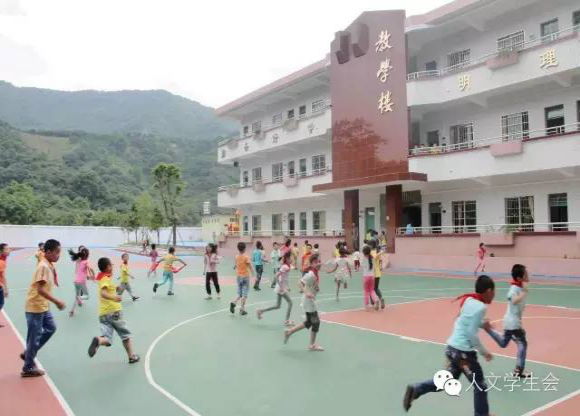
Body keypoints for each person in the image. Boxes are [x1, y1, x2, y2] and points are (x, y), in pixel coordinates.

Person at [403, 275, 496, 415]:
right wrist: (485, 352)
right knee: (480, 385)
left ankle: (416, 389)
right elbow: (471, 334)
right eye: (494, 291)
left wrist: (482, 324)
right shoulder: (481, 307)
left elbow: (464, 320)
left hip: (452, 349)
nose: (494, 294)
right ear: (488, 291)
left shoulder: (469, 300)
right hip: (464, 354)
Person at [22, 239, 66, 377]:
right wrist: (57, 301)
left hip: (43, 306)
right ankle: (28, 367)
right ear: (48, 252)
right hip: (35, 306)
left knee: (51, 328)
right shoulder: (43, 266)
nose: (58, 255)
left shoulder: (48, 264)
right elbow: (40, 289)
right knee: (33, 338)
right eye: (57, 252)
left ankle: (29, 353)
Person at [88, 257, 139, 364]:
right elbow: (103, 293)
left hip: (103, 314)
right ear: (108, 267)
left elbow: (105, 287)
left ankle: (99, 340)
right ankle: (131, 357)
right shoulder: (105, 279)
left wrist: (116, 288)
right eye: (111, 265)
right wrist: (114, 297)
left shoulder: (101, 277)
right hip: (114, 312)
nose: (112, 267)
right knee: (125, 335)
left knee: (107, 339)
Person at [484, 264, 529, 378]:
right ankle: (519, 370)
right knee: (522, 343)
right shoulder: (514, 289)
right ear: (519, 278)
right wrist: (523, 293)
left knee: (503, 343)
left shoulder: (519, 287)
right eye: (525, 273)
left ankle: (488, 329)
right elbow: (512, 300)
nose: (528, 275)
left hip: (511, 321)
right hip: (513, 323)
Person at [284, 253, 324, 351]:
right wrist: (307, 293)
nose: (318, 263)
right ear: (311, 264)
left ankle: (289, 332)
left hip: (309, 301)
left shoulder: (315, 273)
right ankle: (312, 345)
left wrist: (316, 287)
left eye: (319, 261)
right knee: (316, 323)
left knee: (308, 323)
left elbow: (312, 283)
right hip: (309, 302)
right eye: (316, 262)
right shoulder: (310, 274)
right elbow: (299, 283)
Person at [257, 251, 293, 326]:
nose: (292, 259)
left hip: (282, 287)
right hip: (281, 288)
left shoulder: (287, 266)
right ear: (287, 259)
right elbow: (276, 276)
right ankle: (287, 320)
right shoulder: (285, 267)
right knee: (290, 302)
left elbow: (285, 277)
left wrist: (288, 286)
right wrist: (281, 287)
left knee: (277, 306)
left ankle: (260, 311)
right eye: (290, 258)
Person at [68, 247, 95, 317]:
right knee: (87, 296)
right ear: (87, 255)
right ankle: (79, 299)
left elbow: (83, 271)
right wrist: (93, 275)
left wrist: (89, 276)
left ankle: (72, 311)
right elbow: (90, 269)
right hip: (81, 282)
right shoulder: (86, 262)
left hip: (76, 282)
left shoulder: (79, 261)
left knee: (77, 296)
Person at [230, 242, 254, 316]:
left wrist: (236, 267)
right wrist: (253, 274)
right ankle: (242, 309)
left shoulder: (236, 256)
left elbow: (235, 266)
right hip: (245, 277)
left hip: (238, 276)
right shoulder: (246, 257)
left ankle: (234, 302)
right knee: (244, 294)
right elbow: (250, 266)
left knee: (240, 293)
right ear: (244, 249)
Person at [361, 246, 379, 311]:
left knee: (366, 291)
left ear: (363, 252)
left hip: (366, 277)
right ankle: (376, 300)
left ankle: (366, 305)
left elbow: (361, 265)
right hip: (372, 276)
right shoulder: (372, 258)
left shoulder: (363, 259)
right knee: (372, 290)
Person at [369, 240, 386, 309]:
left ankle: (374, 302)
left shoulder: (371, 252)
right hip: (378, 273)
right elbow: (380, 260)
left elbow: (374, 257)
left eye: (369, 245)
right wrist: (381, 252)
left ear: (371, 245)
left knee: (371, 289)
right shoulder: (377, 251)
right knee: (376, 288)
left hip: (371, 273)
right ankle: (381, 298)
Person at [0, 243, 10, 328]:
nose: (9, 250)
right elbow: (2, 276)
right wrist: (5, 288)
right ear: (1, 251)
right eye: (7, 249)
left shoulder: (3, 259)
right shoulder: (1, 262)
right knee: (1, 303)